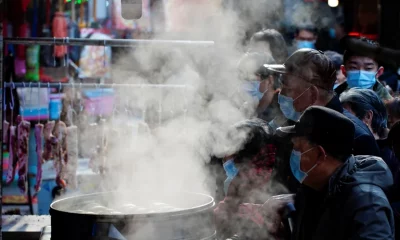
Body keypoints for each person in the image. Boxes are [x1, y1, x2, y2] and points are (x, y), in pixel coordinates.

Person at [269, 106, 395, 240]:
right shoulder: (315, 188)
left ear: (320, 154)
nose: (293, 154)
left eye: (297, 148)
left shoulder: (367, 204)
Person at [264, 49, 380, 192]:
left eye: (288, 89)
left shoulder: (357, 137)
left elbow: (360, 198)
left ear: (312, 93)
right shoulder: (292, 124)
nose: (281, 94)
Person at [214, 119, 277, 240]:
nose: (224, 159)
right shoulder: (241, 180)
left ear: (242, 156)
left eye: (228, 152)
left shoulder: (259, 189)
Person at [335, 37, 393, 102]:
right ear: (344, 70)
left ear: (379, 72)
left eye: (368, 68)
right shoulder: (333, 100)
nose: (360, 73)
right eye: (353, 67)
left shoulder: (389, 106)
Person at [237, 52, 282, 121]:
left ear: (270, 81)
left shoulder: (282, 112)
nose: (244, 85)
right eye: (242, 79)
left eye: (250, 79)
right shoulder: (242, 109)